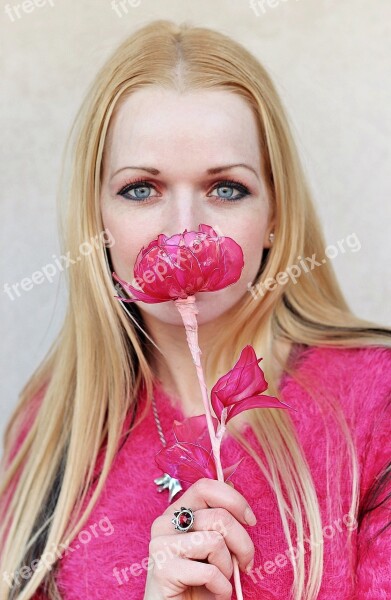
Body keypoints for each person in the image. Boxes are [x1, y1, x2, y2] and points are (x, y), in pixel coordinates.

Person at [0, 19, 390, 600]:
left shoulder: (376, 402)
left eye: (226, 188)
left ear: (275, 215)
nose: (184, 230)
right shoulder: (49, 437)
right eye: (141, 189)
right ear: (98, 222)